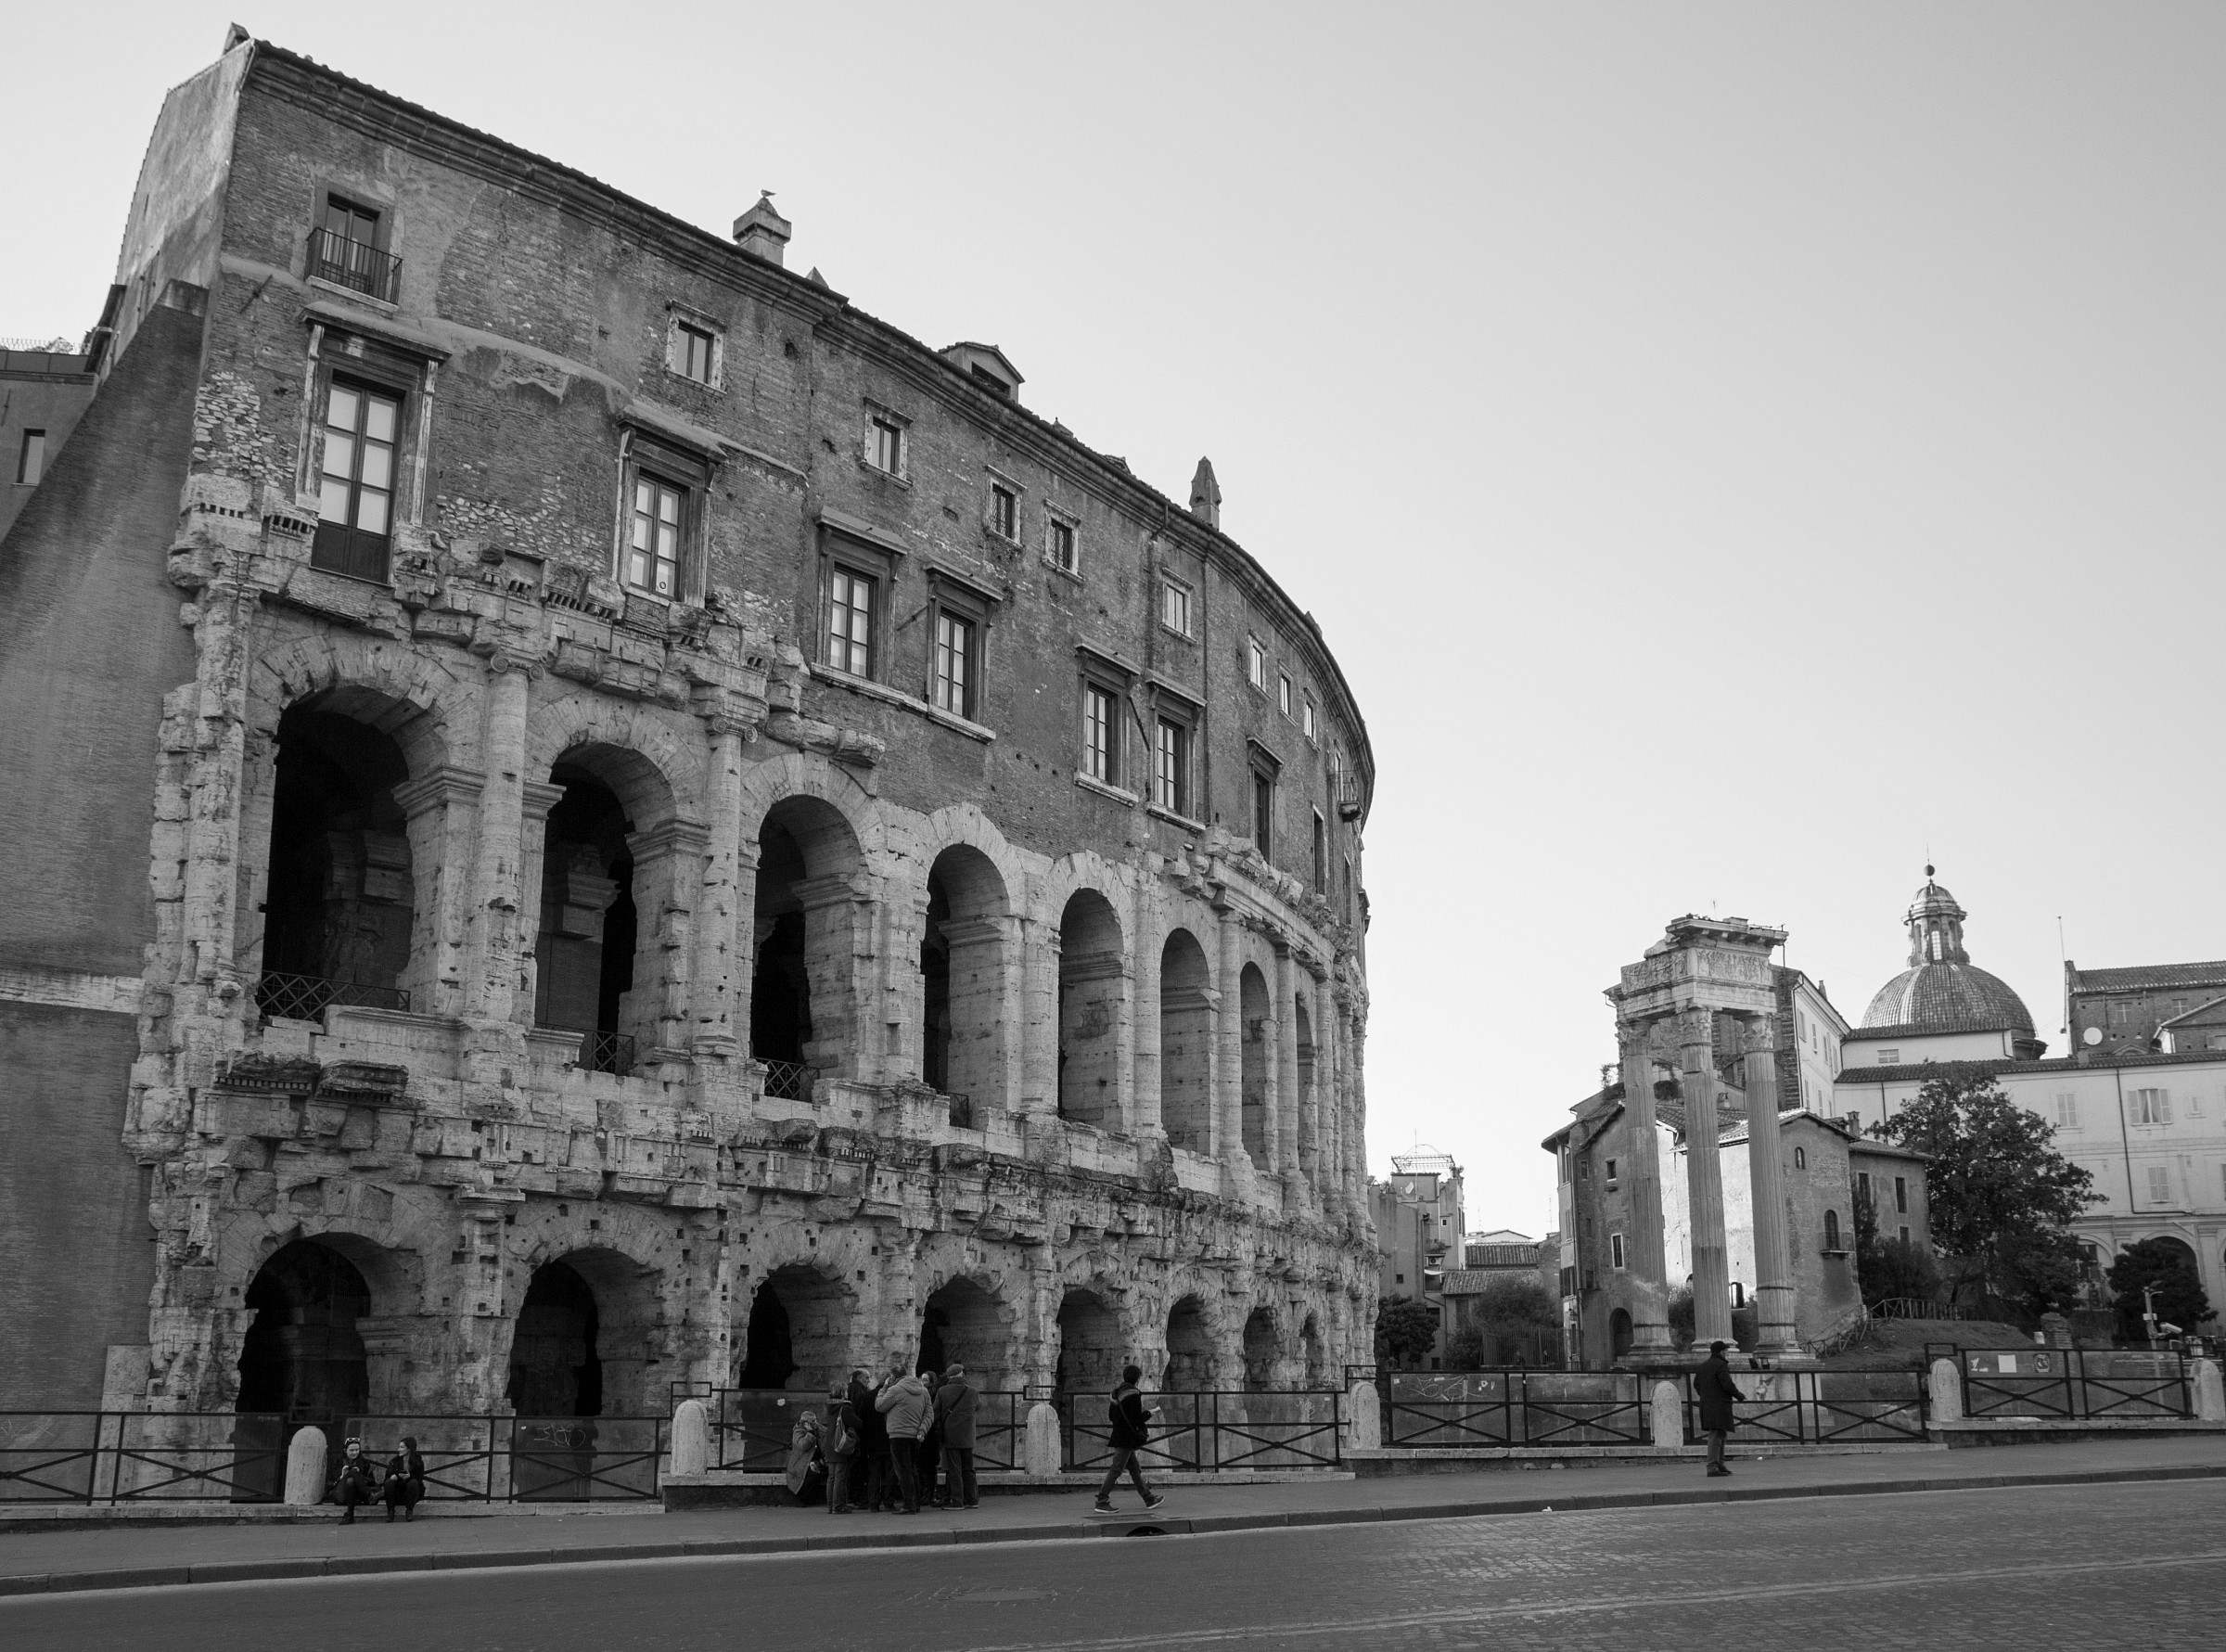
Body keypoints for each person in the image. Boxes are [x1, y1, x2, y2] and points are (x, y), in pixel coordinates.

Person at [1094, 1364, 1165, 1514]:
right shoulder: (1133, 1395)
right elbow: (1136, 1420)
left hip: (1119, 1435)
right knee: (1116, 1469)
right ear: (1137, 1379)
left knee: (1134, 1469)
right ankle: (1101, 1500)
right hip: (1127, 1439)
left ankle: (1148, 1498)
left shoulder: (1117, 1393)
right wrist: (1149, 1414)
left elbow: (1111, 1417)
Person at [874, 1355, 931, 1514]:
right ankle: (916, 1503)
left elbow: (879, 1406)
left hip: (898, 1435)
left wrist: (883, 1389)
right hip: (916, 1436)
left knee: (903, 1471)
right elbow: (929, 1414)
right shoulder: (923, 1391)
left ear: (893, 1377)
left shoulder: (895, 1390)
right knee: (912, 1468)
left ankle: (908, 1505)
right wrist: (922, 1429)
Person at [1695, 1338, 1745, 1477]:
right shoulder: (1720, 1365)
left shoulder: (1703, 1366)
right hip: (1720, 1405)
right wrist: (1739, 1395)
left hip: (1707, 1404)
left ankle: (1720, 1464)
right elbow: (1727, 1384)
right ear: (1720, 1352)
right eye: (1725, 1351)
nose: (1726, 1353)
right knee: (1716, 1435)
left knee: (1720, 1433)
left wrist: (1705, 1395)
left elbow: (1696, 1384)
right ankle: (1712, 1466)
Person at [936, 1362, 980, 1510]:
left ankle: (957, 1501)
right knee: (969, 1468)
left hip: (951, 1435)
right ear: (962, 1375)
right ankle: (972, 1500)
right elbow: (978, 1406)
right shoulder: (973, 1391)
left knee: (955, 1469)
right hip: (968, 1435)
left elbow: (936, 1410)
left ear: (950, 1377)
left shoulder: (943, 1391)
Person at [848, 1367, 889, 1511]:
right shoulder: (861, 1392)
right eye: (866, 1378)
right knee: (886, 1471)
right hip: (885, 1440)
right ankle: (887, 1502)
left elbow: (861, 1417)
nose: (868, 1381)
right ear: (859, 1378)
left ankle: (873, 1502)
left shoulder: (866, 1394)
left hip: (870, 1441)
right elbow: (858, 1419)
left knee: (873, 1472)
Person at [824, 1384, 861, 1515]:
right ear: (843, 1393)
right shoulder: (845, 1408)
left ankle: (830, 1506)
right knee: (840, 1476)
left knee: (832, 1477)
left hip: (830, 1444)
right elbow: (858, 1423)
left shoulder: (829, 1407)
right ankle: (838, 1506)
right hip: (840, 1444)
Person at [784, 1402, 826, 1505]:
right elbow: (803, 1446)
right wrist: (810, 1434)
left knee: (826, 1472)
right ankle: (802, 1498)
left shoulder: (818, 1428)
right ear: (806, 1423)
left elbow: (826, 1435)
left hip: (815, 1462)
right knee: (814, 1475)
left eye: (816, 1420)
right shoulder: (798, 1432)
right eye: (813, 1421)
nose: (815, 1423)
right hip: (800, 1465)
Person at [332, 1436, 379, 1524]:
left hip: (357, 1496)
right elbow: (329, 1484)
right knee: (352, 1474)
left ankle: (349, 1514)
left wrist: (360, 1476)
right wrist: (342, 1476)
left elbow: (372, 1481)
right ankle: (370, 1494)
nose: (355, 1453)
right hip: (340, 1495)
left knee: (351, 1479)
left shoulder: (364, 1463)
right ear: (345, 1450)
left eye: (357, 1450)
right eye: (351, 1450)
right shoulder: (337, 1462)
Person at [917, 1370, 945, 1506]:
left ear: (931, 1382)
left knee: (928, 1467)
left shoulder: (932, 1395)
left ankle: (930, 1494)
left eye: (925, 1380)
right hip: (925, 1433)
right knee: (923, 1466)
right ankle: (925, 1493)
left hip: (930, 1434)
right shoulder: (922, 1394)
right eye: (921, 1379)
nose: (922, 1382)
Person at [381, 1435, 426, 1522]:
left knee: (413, 1482)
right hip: (397, 1491)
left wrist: (409, 1476)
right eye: (399, 1447)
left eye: (402, 1447)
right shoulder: (395, 1461)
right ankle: (390, 1512)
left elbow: (420, 1478)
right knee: (388, 1483)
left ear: (409, 1449)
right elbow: (387, 1477)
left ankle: (409, 1512)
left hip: (412, 1493)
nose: (399, 1450)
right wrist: (396, 1476)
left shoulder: (418, 1462)